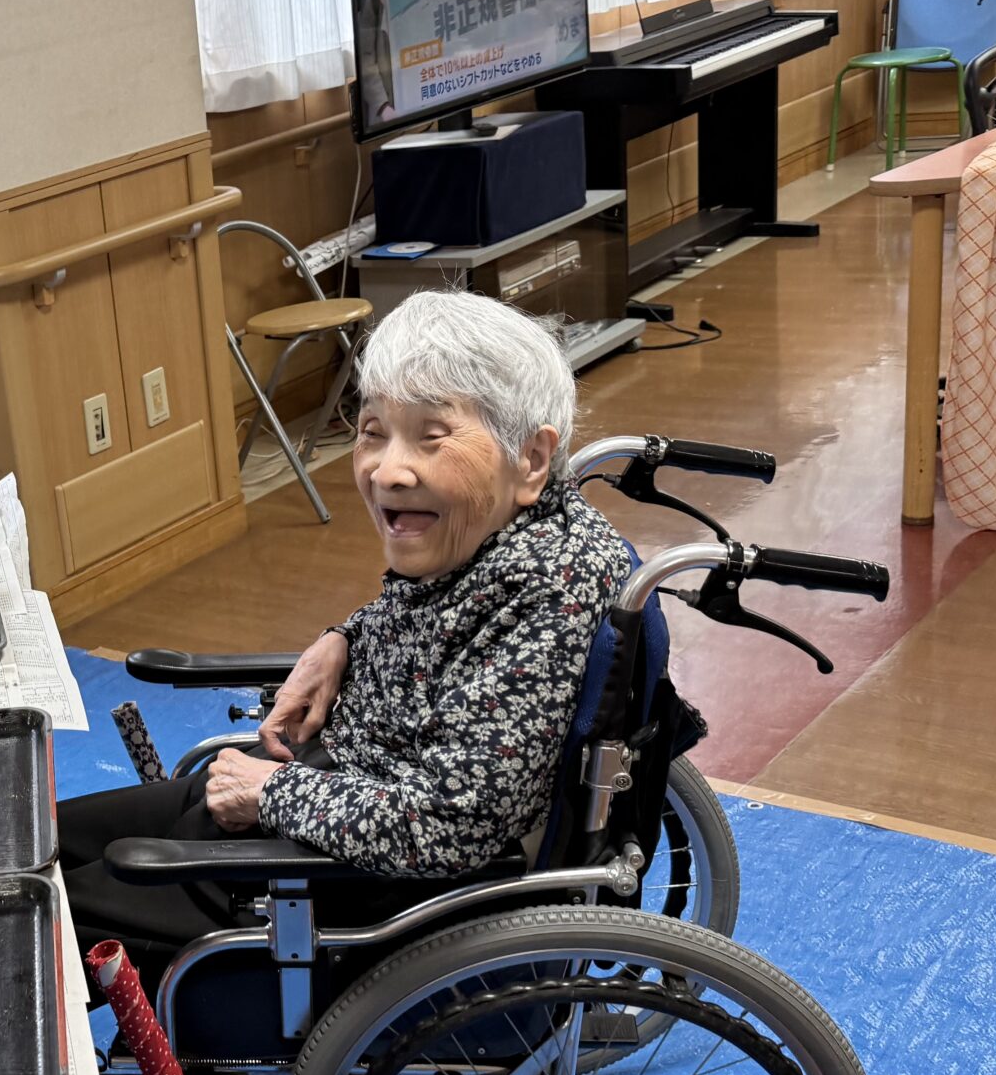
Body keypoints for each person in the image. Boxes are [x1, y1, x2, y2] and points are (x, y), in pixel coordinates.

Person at [58, 292, 633, 963]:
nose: (386, 469)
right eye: (372, 430)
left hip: (337, 876)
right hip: (328, 790)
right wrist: (349, 637)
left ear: (531, 459)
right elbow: (439, 618)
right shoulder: (513, 531)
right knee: (41, 841)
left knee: (34, 914)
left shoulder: (545, 592)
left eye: (432, 436)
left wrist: (271, 792)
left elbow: (451, 825)